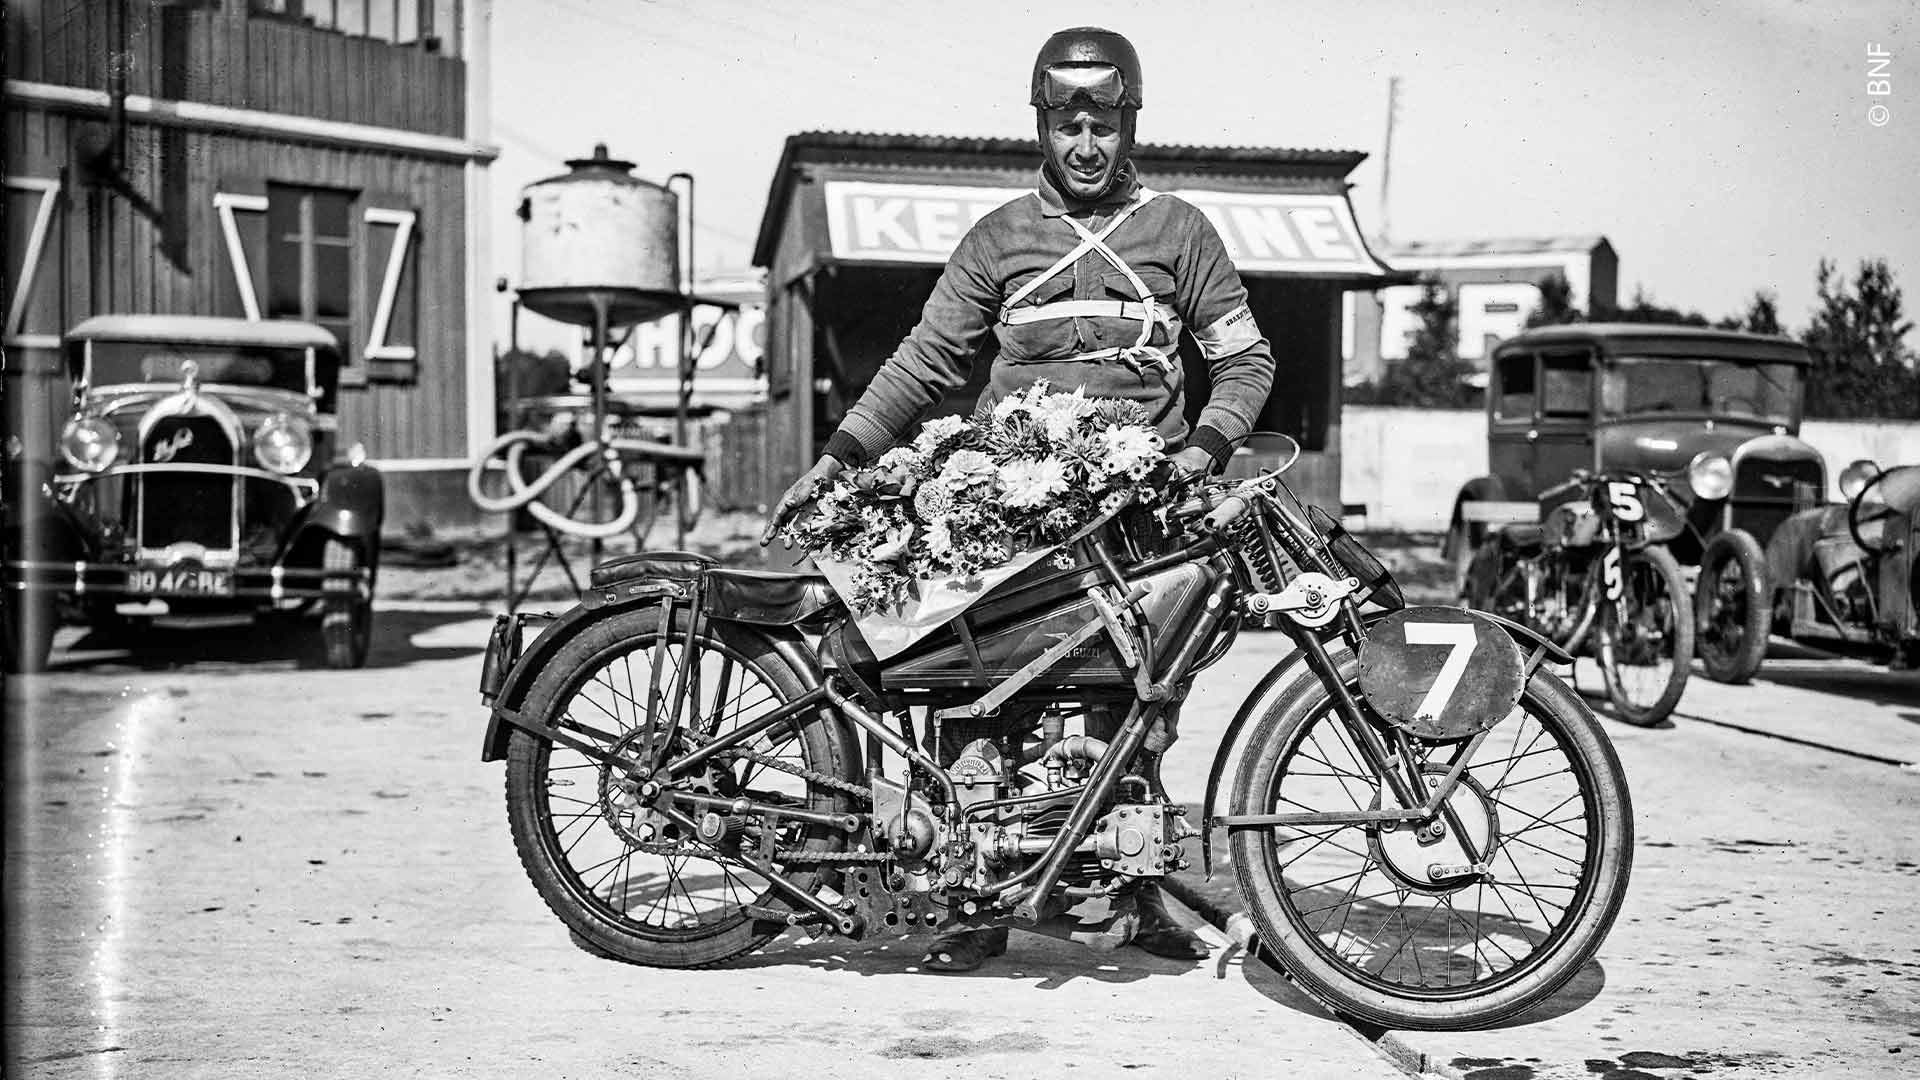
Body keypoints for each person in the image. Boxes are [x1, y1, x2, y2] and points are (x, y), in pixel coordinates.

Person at [763, 26, 1277, 972]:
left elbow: (1244, 358)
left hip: (1141, 507)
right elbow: (924, 364)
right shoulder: (997, 238)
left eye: (1105, 124)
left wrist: (1207, 448)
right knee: (975, 686)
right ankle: (974, 900)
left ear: (1131, 125)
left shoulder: (1181, 232)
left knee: (1137, 698)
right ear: (1041, 124)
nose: (1087, 145)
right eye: (1068, 123)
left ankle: (1130, 892)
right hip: (1007, 503)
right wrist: (840, 457)